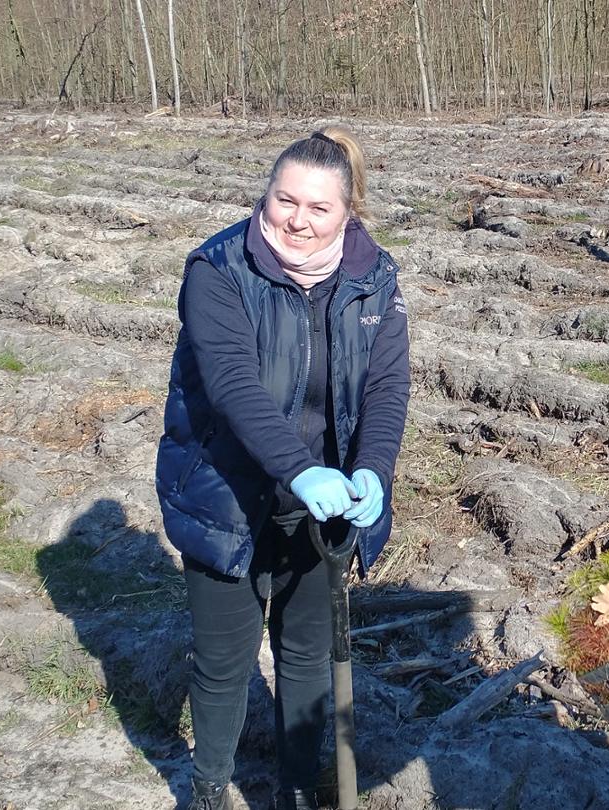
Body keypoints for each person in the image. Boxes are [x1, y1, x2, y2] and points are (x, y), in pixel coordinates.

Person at [156, 127, 411, 810]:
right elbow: (233, 383)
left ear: (348, 211)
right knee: (223, 662)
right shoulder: (218, 271)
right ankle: (208, 788)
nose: (296, 220)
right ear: (265, 195)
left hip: (320, 504)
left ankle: (299, 790)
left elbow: (387, 388)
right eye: (283, 200)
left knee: (306, 660)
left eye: (317, 208)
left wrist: (374, 472)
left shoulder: (375, 280)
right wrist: (300, 469)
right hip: (226, 491)